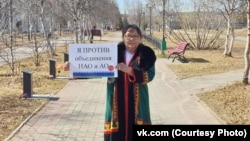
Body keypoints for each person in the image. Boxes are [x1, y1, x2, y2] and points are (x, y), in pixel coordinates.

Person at [104, 24, 157, 141]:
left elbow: (150, 76)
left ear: (140, 38)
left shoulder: (146, 54)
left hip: (138, 101)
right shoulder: (113, 52)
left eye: (135, 36)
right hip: (116, 99)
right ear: (123, 37)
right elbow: (94, 68)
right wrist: (74, 69)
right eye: (128, 36)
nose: (132, 39)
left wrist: (129, 70)